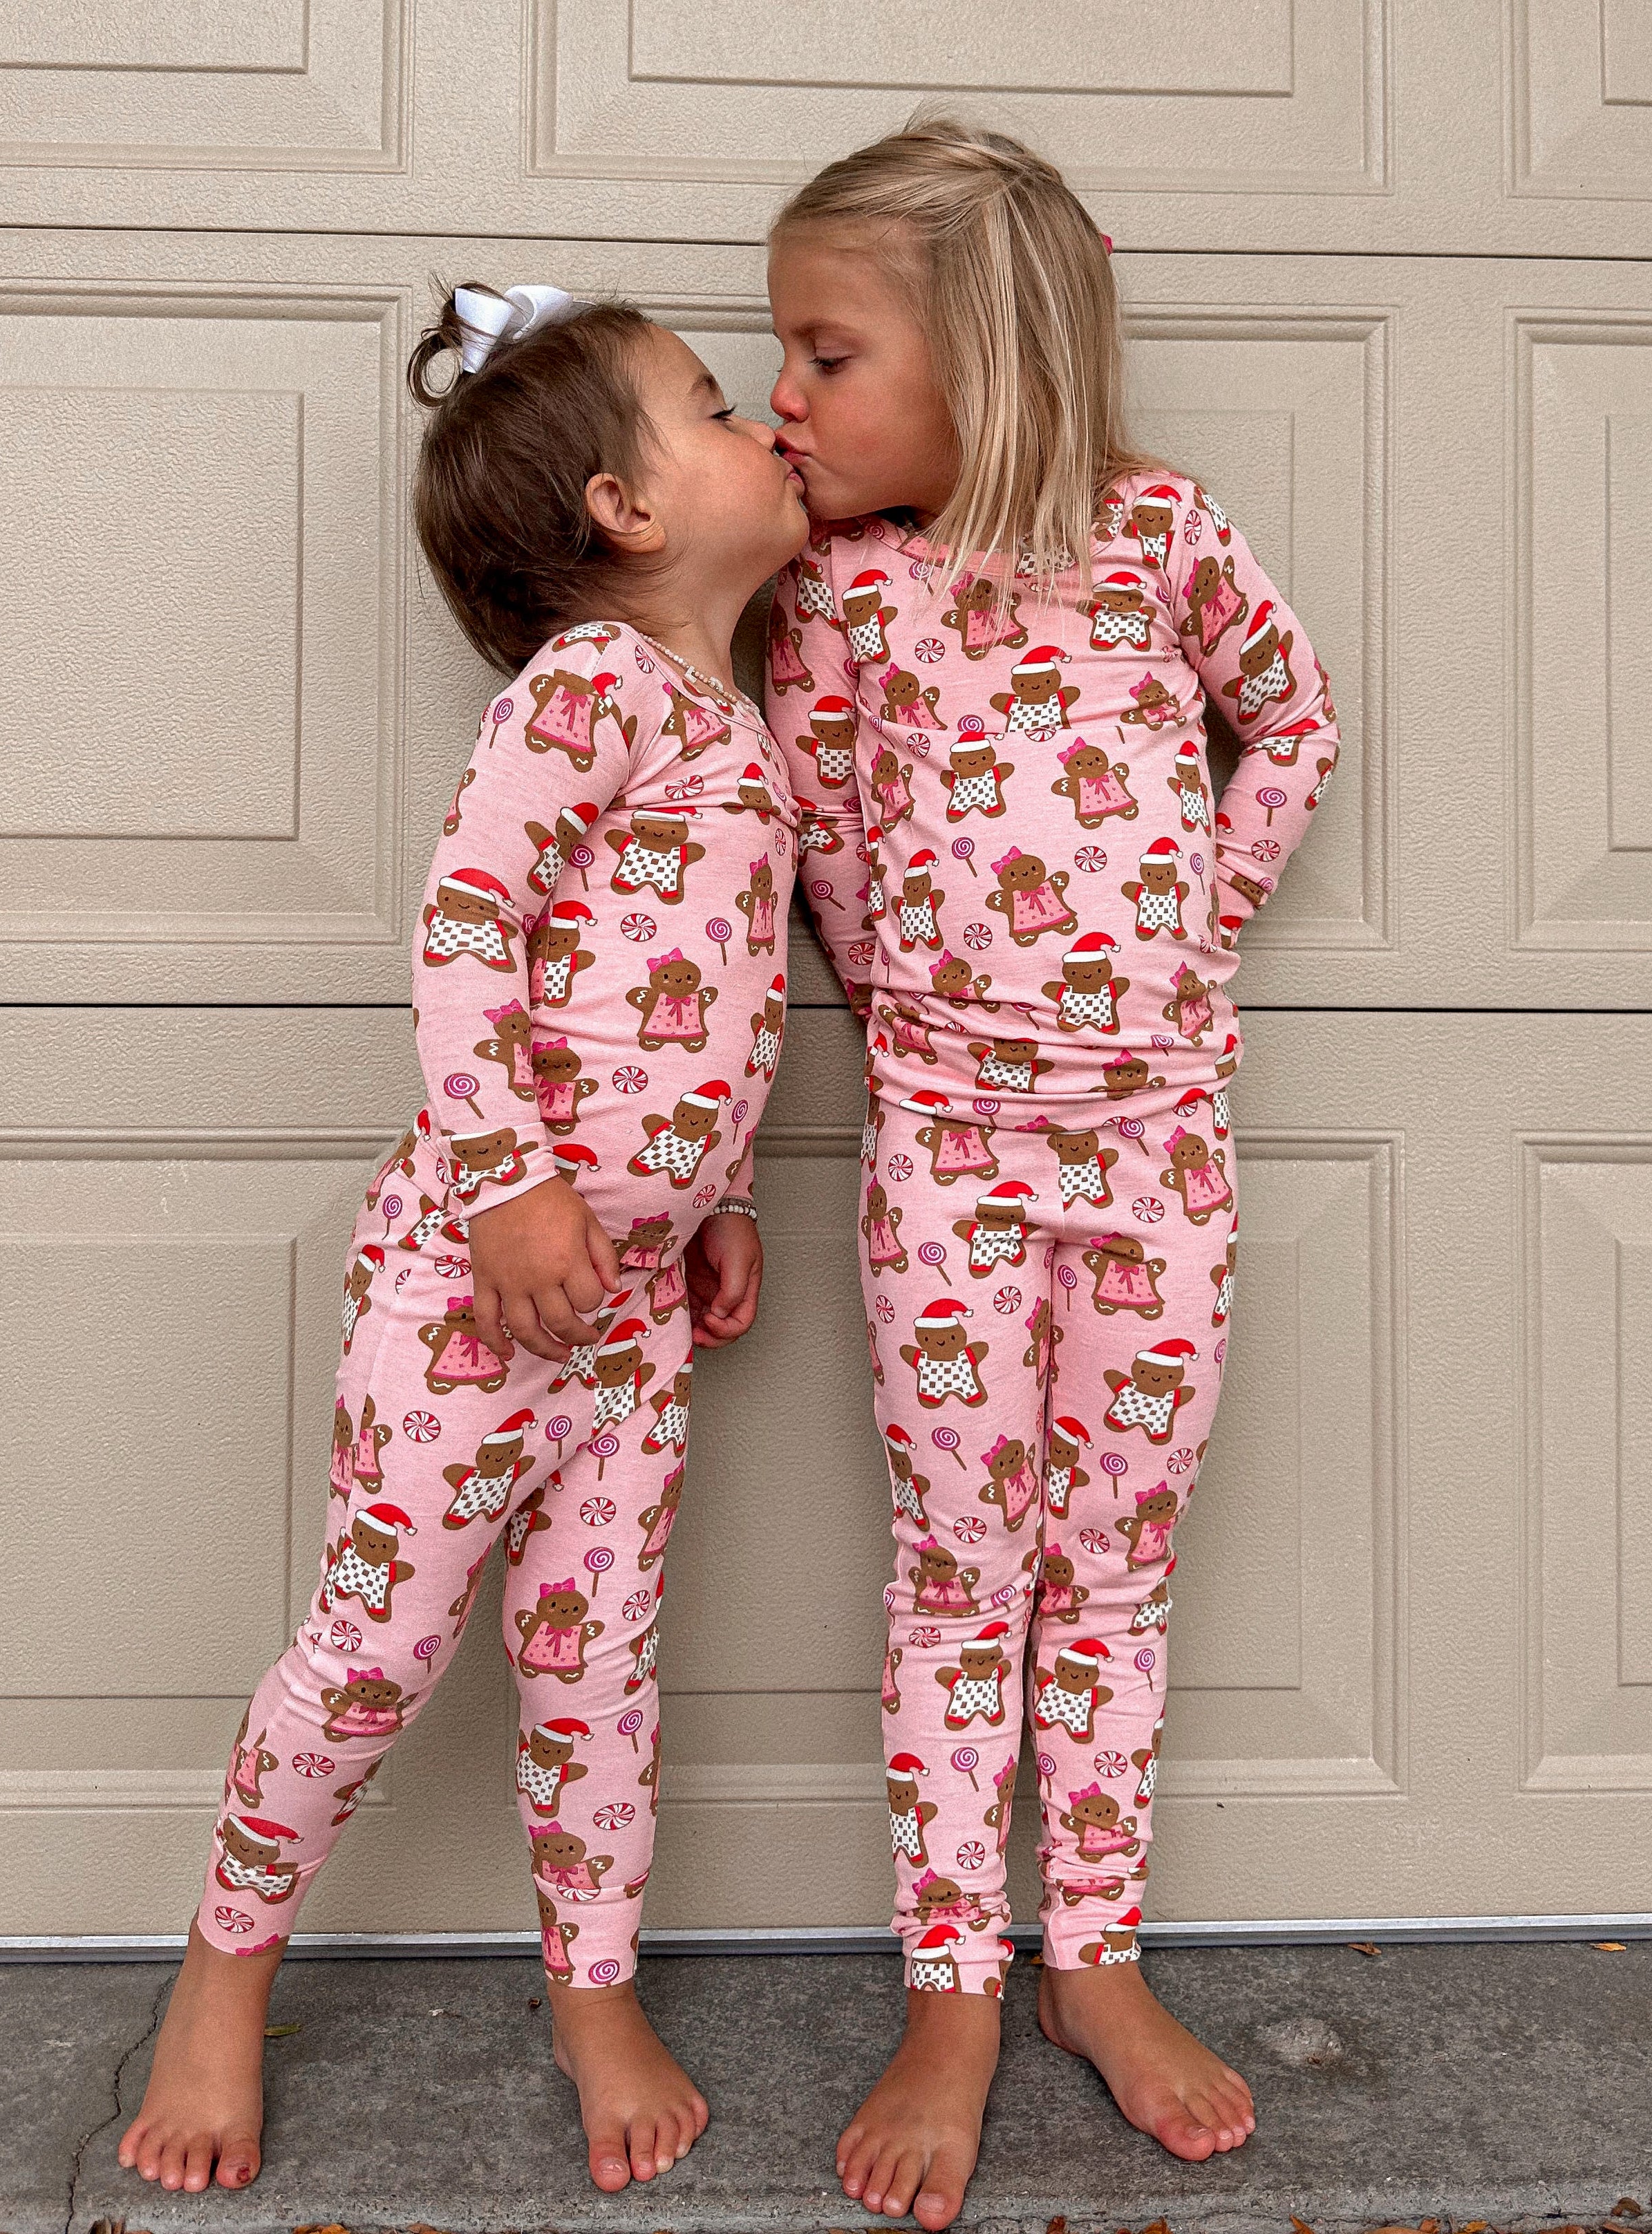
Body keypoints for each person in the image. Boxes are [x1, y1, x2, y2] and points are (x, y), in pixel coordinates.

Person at [118, 282, 811, 2199]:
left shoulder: (741, 726)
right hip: (473, 1292)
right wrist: (510, 1183)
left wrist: (724, 1201)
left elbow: (719, 1000)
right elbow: (465, 925)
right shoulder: (590, 690)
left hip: (630, 1317)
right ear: (625, 508)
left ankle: (594, 1993)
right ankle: (221, 1971)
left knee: (601, 1668)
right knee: (374, 1649)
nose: (763, 420)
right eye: (712, 405)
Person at [765, 118, 1340, 2228]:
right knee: (958, 1568)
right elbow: (820, 837)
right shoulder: (835, 591)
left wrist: (1198, 924)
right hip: (950, 1155)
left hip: (1159, 1144)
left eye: (827, 355)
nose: (783, 401)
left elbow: (1295, 722)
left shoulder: (1160, 534)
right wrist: (906, 1005)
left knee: (1110, 1568)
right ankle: (954, 1986)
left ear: (987, 352)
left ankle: (1092, 1958)